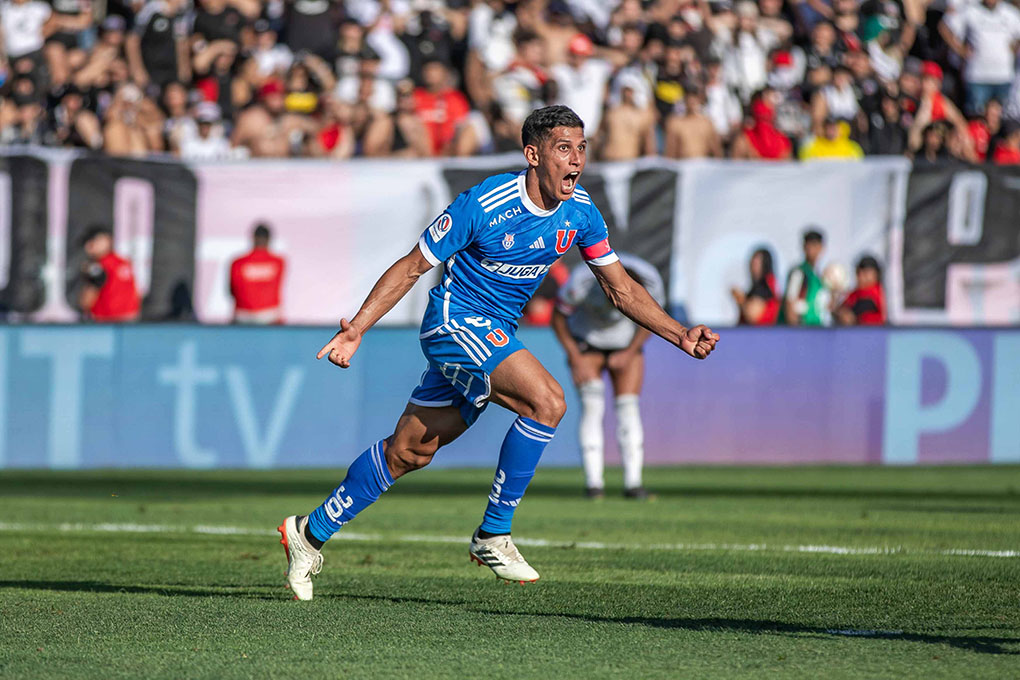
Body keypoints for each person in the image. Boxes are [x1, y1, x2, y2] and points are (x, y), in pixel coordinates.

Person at [277, 106, 719, 600]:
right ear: (533, 154)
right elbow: (409, 267)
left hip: (494, 333)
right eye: (563, 148)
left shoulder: (582, 213)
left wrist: (678, 333)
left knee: (409, 451)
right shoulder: (484, 202)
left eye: (581, 148)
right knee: (547, 401)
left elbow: (622, 290)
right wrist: (357, 328)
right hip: (454, 321)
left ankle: (307, 533)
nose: (576, 160)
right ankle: (493, 532)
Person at [551, 253, 666, 499]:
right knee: (592, 407)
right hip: (587, 341)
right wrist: (575, 355)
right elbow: (558, 317)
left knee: (628, 407)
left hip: (626, 342)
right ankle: (594, 485)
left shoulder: (652, 281)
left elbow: (654, 321)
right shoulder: (581, 281)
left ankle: (633, 484)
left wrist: (631, 351)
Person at [78, 225, 140, 322]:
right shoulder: (122, 262)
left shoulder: (99, 266)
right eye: (89, 242)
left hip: (107, 321)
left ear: (108, 239)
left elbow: (86, 302)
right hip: (126, 319)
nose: (91, 245)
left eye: (96, 240)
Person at [229, 223, 285, 324]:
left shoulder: (238, 263)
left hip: (243, 316)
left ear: (253, 238)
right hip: (270, 316)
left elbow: (231, 291)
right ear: (269, 240)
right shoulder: (279, 262)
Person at [781, 229, 825, 326]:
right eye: (808, 245)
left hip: (817, 329)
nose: (811, 250)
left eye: (815, 245)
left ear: (821, 248)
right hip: (802, 330)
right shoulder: (798, 273)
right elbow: (790, 304)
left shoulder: (819, 277)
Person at [730, 247, 780, 325]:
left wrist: (740, 298)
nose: (752, 266)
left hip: (760, 332)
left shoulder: (766, 283)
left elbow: (752, 315)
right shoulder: (759, 285)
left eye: (756, 262)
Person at [835, 255, 886, 325]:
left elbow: (864, 306)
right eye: (858, 273)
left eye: (866, 273)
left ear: (876, 275)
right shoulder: (855, 293)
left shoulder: (877, 292)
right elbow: (841, 309)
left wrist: (851, 315)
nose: (861, 277)